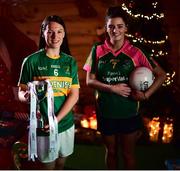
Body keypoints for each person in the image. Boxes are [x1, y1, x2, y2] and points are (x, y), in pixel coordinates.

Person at [83, 6, 166, 170]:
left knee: (128, 154)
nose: (115, 30)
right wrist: (112, 88)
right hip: (106, 111)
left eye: (120, 26)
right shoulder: (97, 50)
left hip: (129, 112)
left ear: (126, 28)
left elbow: (161, 74)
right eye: (111, 26)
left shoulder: (136, 52)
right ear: (106, 27)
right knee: (111, 151)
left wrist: (146, 95)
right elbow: (89, 81)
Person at [18, 15, 80, 170]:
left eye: (59, 32)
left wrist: (56, 120)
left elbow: (74, 95)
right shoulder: (31, 61)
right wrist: (26, 97)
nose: (55, 36)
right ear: (43, 33)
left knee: (60, 163)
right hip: (42, 126)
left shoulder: (70, 62)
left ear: (64, 34)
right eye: (50, 32)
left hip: (65, 124)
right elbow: (21, 92)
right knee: (48, 166)